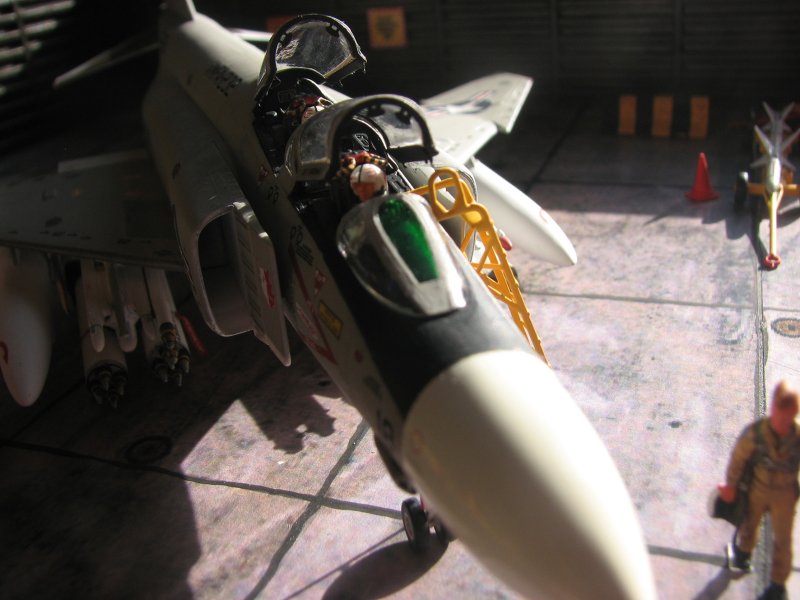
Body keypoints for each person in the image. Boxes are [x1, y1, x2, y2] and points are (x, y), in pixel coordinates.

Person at [718, 380, 800, 600]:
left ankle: (778, 585)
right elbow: (738, 459)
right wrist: (731, 485)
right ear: (772, 408)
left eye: (789, 417)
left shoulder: (797, 436)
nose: (783, 423)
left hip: (785, 494)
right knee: (749, 523)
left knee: (783, 541)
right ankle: (744, 553)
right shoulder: (756, 433)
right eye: (780, 416)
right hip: (758, 488)